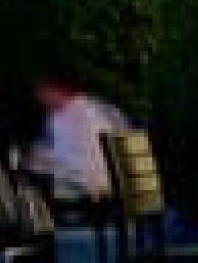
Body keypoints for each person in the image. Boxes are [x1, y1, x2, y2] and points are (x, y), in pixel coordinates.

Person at [28, 67, 131, 205]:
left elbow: (79, 165)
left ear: (56, 89)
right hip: (121, 190)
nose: (37, 96)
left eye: (41, 90)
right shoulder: (99, 108)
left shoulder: (67, 115)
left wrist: (36, 161)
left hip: (92, 194)